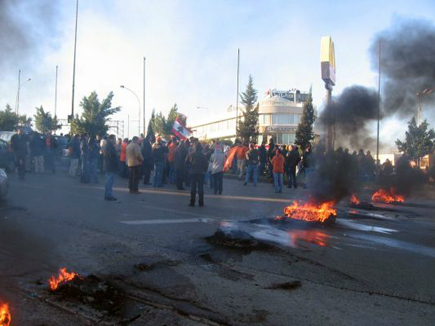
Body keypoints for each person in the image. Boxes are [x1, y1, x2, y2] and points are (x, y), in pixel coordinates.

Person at [186, 142, 208, 207]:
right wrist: (204, 170)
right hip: (201, 172)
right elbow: (206, 164)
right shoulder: (203, 155)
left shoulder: (191, 154)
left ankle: (192, 202)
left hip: (193, 172)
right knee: (200, 188)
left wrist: (189, 169)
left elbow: (186, 162)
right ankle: (201, 202)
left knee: (193, 187)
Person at [103, 135, 119, 201]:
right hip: (110, 166)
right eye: (114, 139)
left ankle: (107, 194)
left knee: (108, 181)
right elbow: (112, 156)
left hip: (108, 165)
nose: (115, 140)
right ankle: (109, 195)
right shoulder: (110, 146)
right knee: (110, 181)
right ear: (111, 139)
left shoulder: (108, 145)